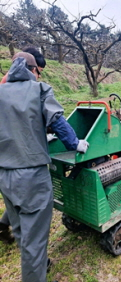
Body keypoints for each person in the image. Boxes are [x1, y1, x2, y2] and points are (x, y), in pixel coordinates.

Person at [0, 52, 89, 281]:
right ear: (33, 70)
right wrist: (76, 143)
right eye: (39, 72)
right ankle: (34, 271)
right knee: (35, 236)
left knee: (20, 228)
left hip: (4, 175)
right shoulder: (39, 90)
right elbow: (57, 119)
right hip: (31, 176)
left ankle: (36, 263)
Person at [0, 47, 47, 243]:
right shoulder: (9, 86)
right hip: (18, 153)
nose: (39, 76)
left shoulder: (11, 82)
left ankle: (6, 227)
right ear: (32, 68)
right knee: (26, 200)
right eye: (39, 71)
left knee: (15, 199)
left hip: (7, 163)